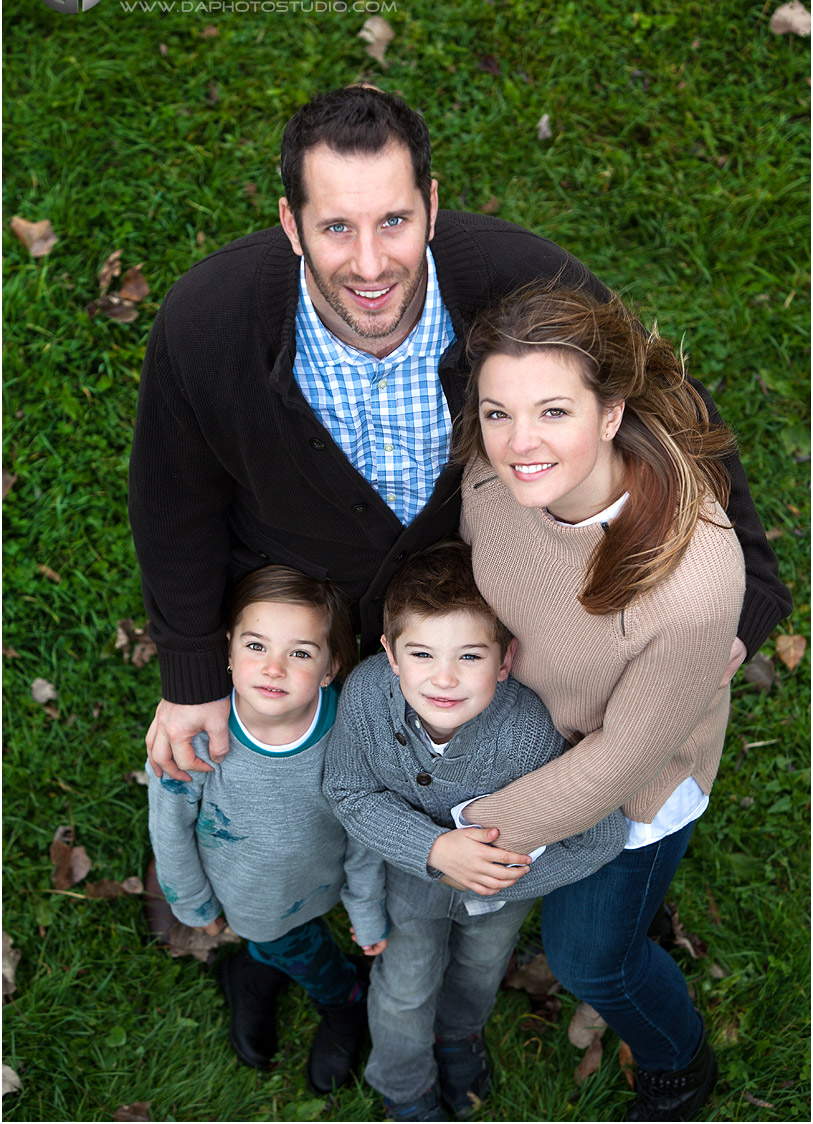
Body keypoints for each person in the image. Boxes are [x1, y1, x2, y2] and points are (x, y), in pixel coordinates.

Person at [128, 84, 791, 782]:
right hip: (297, 610)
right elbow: (173, 501)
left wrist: (745, 594)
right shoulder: (204, 321)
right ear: (291, 224)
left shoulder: (523, 281)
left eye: (393, 221)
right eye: (335, 228)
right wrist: (192, 672)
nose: (370, 264)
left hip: (479, 603)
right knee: (289, 796)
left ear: (432, 208)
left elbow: (671, 409)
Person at [446, 282, 753, 1121]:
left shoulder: (690, 586)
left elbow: (621, 759)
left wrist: (467, 832)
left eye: (552, 411)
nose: (517, 445)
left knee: (590, 959)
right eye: (497, 412)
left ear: (610, 413)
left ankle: (677, 1065)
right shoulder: (490, 473)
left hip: (627, 782)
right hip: (523, 737)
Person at [323, 540, 628, 1122]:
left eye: (469, 656)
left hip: (500, 897)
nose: (443, 679)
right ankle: (405, 1088)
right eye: (421, 654)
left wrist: (507, 877)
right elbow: (348, 791)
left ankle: (459, 1036)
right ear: (389, 653)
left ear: (505, 659)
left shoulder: (532, 733)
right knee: (406, 987)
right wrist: (432, 848)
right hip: (409, 884)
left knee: (480, 969)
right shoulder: (365, 696)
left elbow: (601, 836)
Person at [146, 565, 387, 1094]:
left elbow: (368, 826)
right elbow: (169, 828)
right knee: (292, 943)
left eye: (300, 652)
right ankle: (343, 1000)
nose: (273, 668)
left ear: (331, 667)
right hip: (247, 894)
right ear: (227, 650)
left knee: (285, 936)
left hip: (317, 883)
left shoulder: (350, 730)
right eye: (256, 645)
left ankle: (253, 972)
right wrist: (191, 904)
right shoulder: (196, 737)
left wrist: (366, 908)